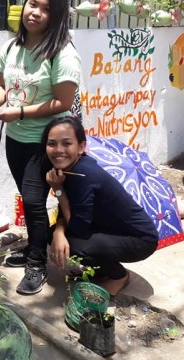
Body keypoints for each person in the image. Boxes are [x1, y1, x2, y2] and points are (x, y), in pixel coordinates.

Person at [0, 0, 82, 294]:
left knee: (34, 202)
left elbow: (63, 102)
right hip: (16, 138)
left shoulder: (62, 52)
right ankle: (34, 246)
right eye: (33, 4)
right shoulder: (11, 47)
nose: (36, 13)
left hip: (45, 142)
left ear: (57, 17)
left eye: (46, 9)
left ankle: (37, 264)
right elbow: (2, 85)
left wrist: (21, 112)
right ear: (23, 5)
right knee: (31, 200)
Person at [43, 116, 158, 296]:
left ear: (81, 147)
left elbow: (78, 229)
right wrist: (58, 229)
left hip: (140, 240)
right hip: (112, 228)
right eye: (52, 144)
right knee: (55, 235)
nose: (58, 150)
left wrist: (58, 190)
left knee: (75, 244)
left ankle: (118, 276)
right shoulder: (70, 169)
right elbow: (69, 211)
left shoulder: (83, 174)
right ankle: (102, 270)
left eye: (66, 144)